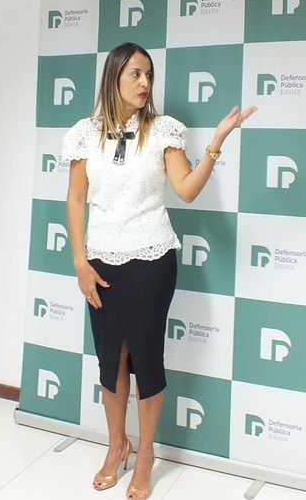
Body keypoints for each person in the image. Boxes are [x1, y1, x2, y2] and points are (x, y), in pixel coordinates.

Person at [63, 42, 255, 500]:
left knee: (146, 358)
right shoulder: (86, 133)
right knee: (111, 359)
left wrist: (216, 143)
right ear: (113, 77)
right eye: (135, 73)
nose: (145, 82)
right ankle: (117, 446)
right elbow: (75, 198)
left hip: (152, 261)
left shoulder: (164, 130)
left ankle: (146, 454)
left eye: (148, 74)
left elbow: (186, 190)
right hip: (101, 262)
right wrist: (80, 261)